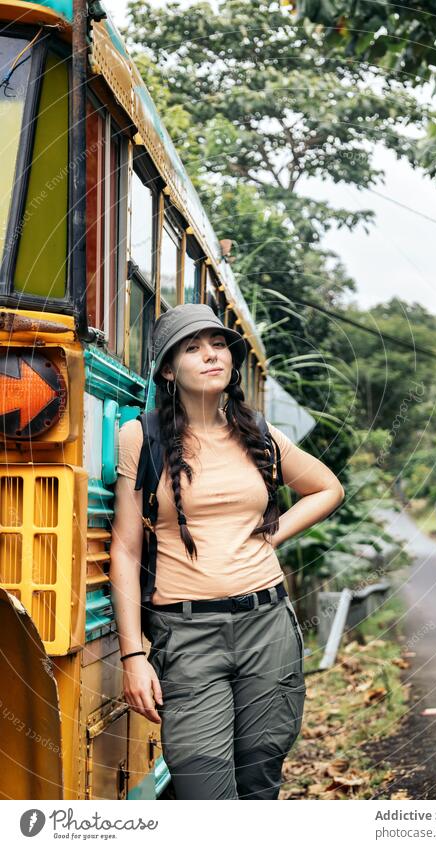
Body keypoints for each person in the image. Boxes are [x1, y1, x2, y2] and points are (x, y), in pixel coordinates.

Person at [109, 303, 345, 800]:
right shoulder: (142, 437)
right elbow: (127, 550)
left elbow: (326, 488)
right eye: (193, 348)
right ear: (169, 370)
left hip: (267, 625)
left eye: (218, 345)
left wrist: (270, 535)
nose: (211, 355)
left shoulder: (257, 432)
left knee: (259, 786)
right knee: (203, 791)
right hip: (187, 635)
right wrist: (133, 654)